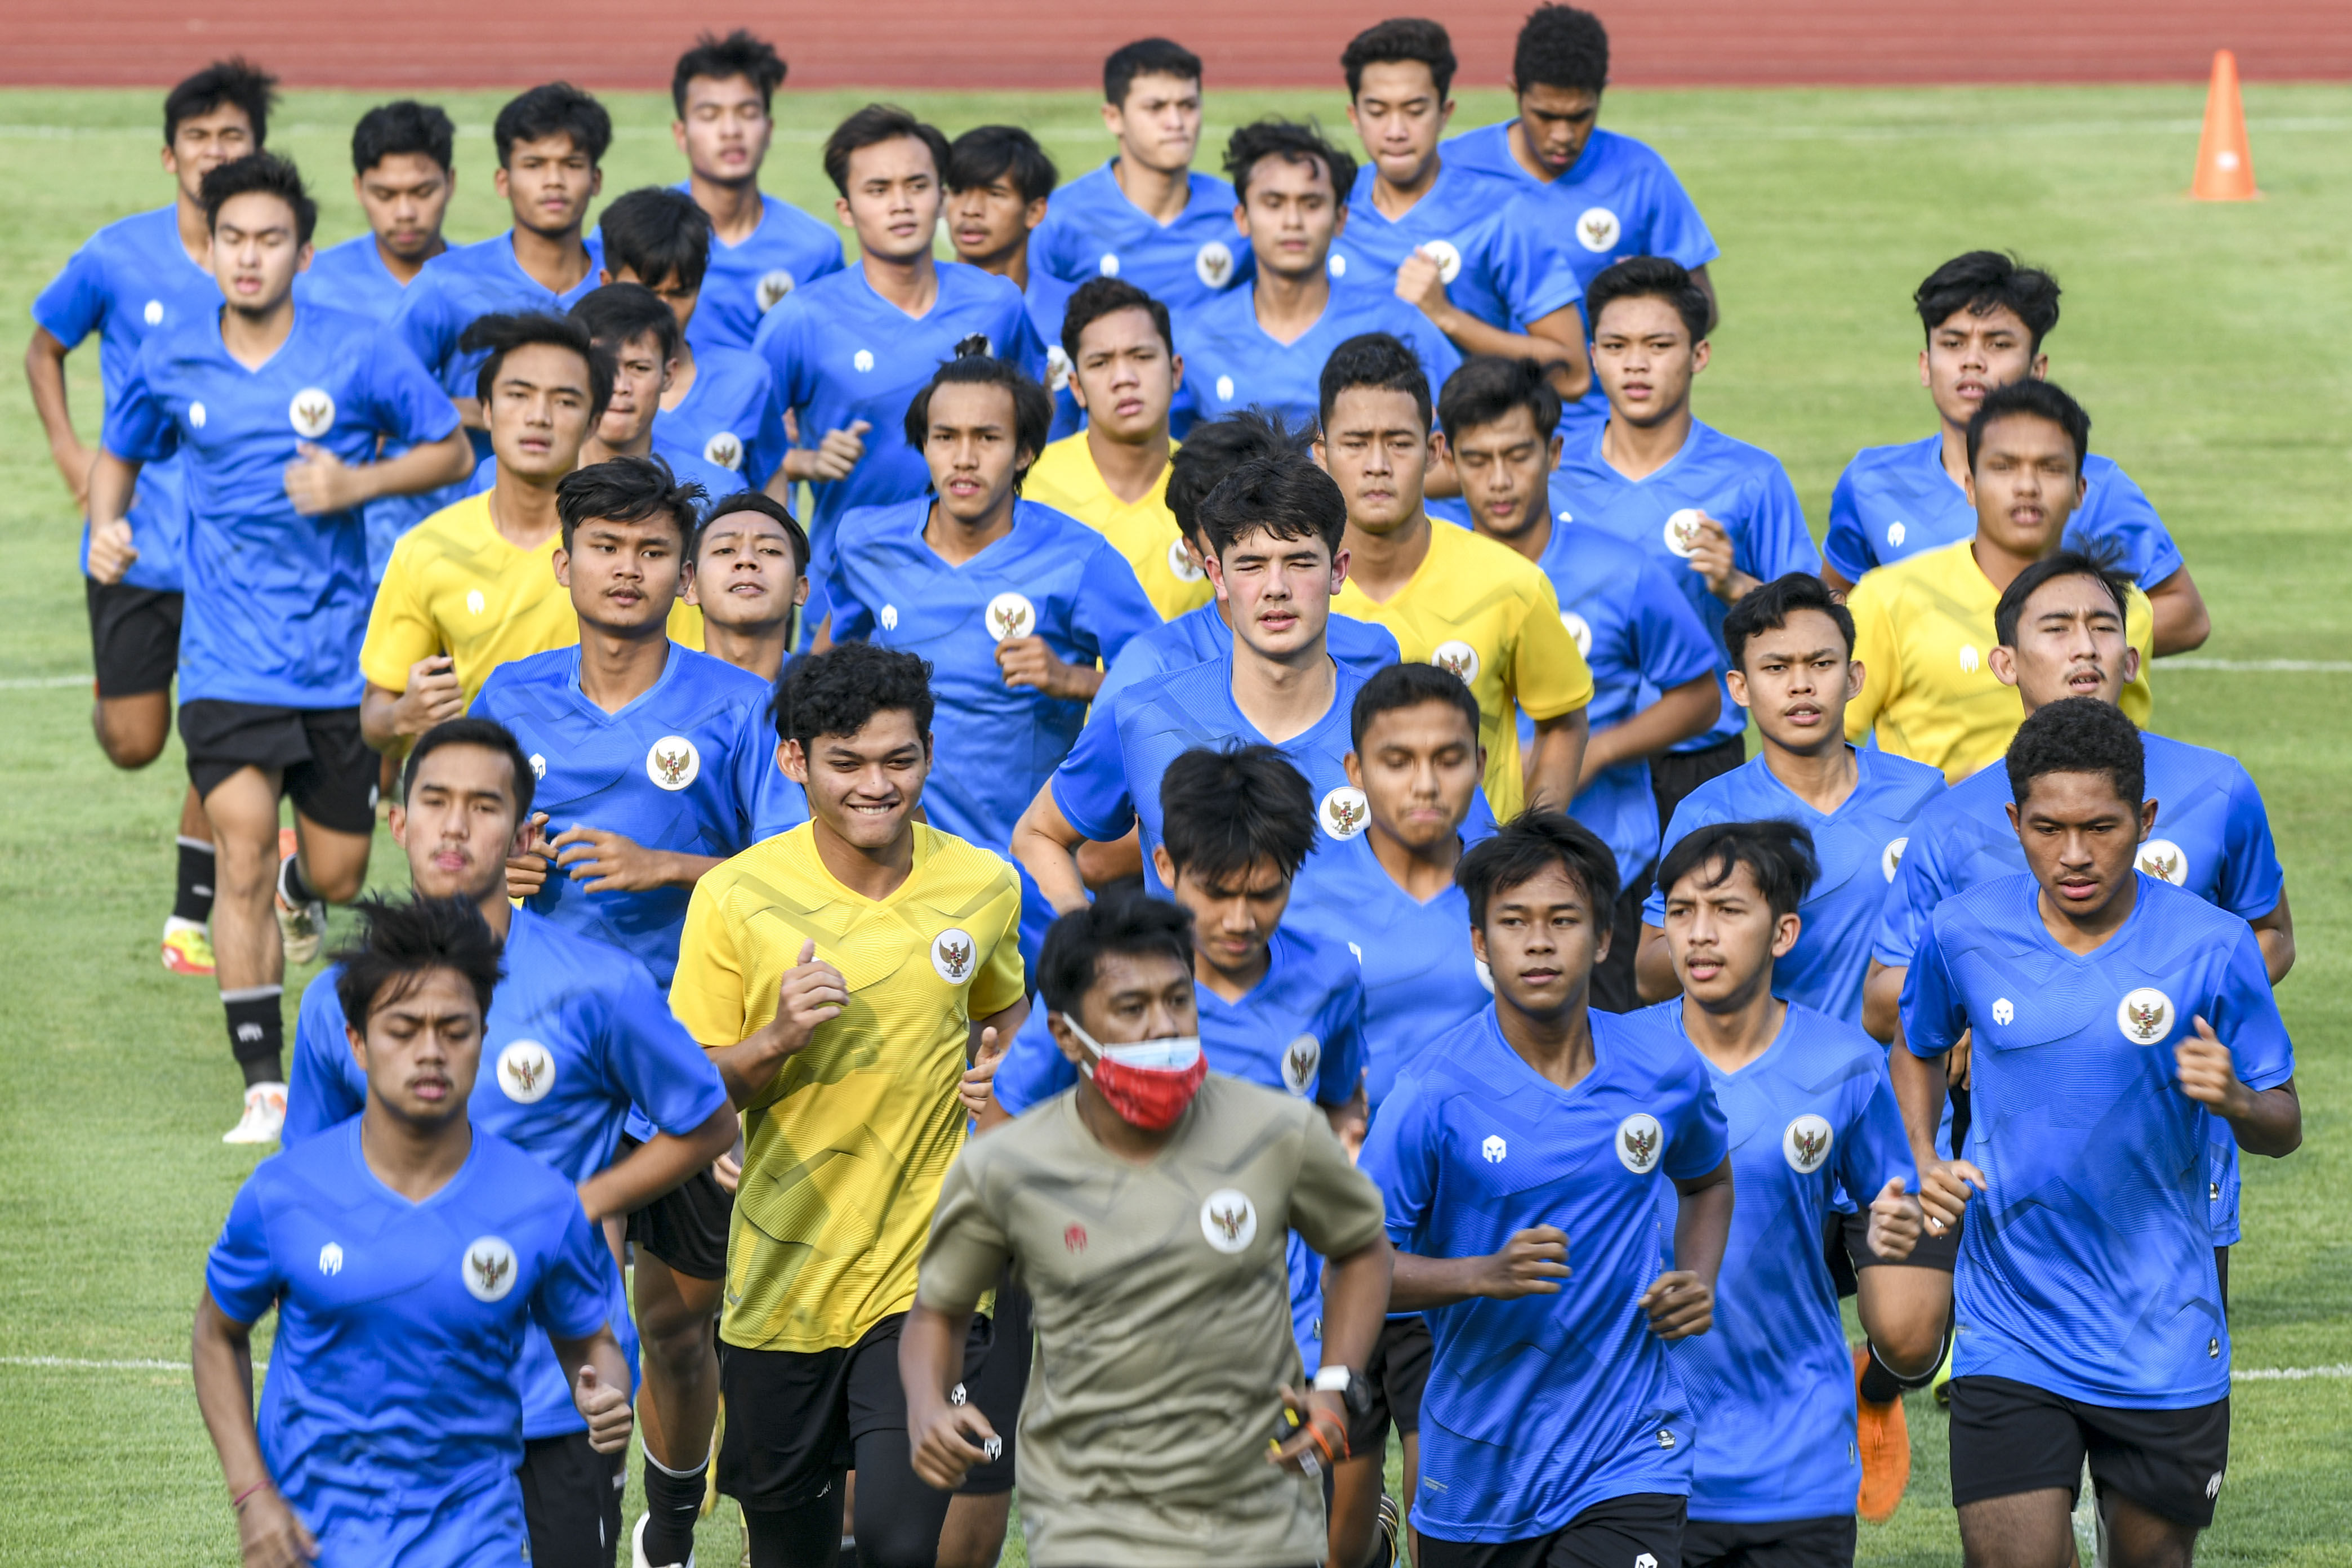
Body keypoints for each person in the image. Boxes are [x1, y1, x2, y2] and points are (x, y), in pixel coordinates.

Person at [1856, 553, 2293, 1500]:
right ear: (2004, 659)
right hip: (2015, 1197)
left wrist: (2158, 1012)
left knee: (2149, 1502)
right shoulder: (1951, 824)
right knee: (1929, 1366)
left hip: (2174, 1179)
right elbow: (1899, 999)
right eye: (2056, 627)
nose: (2087, 646)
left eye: (2104, 625)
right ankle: (1891, 1378)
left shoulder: (2216, 788)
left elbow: (2264, 939)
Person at [280, 718, 735, 1568]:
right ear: (398, 821)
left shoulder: (598, 986)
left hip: (556, 1399)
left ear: (526, 835)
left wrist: (585, 1202)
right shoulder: (335, 1001)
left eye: (484, 807)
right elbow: (304, 1192)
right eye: (434, 802)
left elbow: (706, 1122)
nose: (455, 827)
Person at [89, 152, 473, 1143]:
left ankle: (311, 896)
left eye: (269, 240)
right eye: (231, 240)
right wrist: (107, 525)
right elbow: (119, 450)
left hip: (337, 663)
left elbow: (449, 448)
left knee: (339, 872)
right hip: (223, 662)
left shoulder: (357, 349)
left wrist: (355, 487)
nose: (249, 257)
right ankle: (263, 1082)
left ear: (303, 252)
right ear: (208, 252)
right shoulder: (172, 354)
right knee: (245, 849)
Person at [667, 642, 1030, 1568]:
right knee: (789, 1550)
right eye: (847, 761)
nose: (877, 784)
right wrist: (775, 1037)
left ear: (930, 753)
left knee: (902, 1544)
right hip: (780, 1286)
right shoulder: (734, 897)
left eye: (899, 759)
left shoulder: (983, 885)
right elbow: (689, 1097)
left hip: (927, 1277)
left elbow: (1003, 1010)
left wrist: (1003, 1080)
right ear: (795, 760)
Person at [903, 894, 1393, 1567]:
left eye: (1178, 1001)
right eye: (1132, 1009)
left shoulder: (1277, 1132)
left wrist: (1336, 1382)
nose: (1164, 1027)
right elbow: (939, 1310)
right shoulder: (1007, 1166)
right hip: (1089, 1521)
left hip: (1259, 1517)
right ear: (1067, 1036)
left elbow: (1364, 1246)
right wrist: (929, 1402)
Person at [192, 893, 635, 1568]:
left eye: (454, 1030)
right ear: (357, 1044)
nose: (430, 1052)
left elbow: (591, 1342)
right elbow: (216, 1332)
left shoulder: (541, 1205)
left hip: (475, 1547)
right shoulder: (285, 1196)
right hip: (317, 1547)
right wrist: (253, 1496)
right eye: (403, 1030)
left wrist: (603, 1390)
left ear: (484, 1038)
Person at [1361, 812, 1732, 1568]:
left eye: (1563, 920)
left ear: (1602, 939)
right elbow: (1357, 1267)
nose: (1538, 942)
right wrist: (1480, 1276)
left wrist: (1695, 1275)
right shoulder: (1431, 1093)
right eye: (1513, 922)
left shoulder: (1662, 1070)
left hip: (1629, 1454)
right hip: (1476, 1475)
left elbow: (1709, 1180)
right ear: (1478, 944)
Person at [26, 57, 267, 979]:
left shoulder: (281, 260)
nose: (215, 153)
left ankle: (191, 915)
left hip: (239, 551)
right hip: (130, 538)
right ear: (171, 156)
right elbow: (44, 345)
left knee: (222, 728)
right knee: (134, 741)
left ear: (257, 149)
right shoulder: (118, 255)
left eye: (232, 137)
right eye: (199, 139)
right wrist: (65, 451)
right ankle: (115, 692)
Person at [1649, 819, 1923, 1568]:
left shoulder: (1846, 1067)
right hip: (1641, 1461)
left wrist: (1899, 1239)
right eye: (1681, 912)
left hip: (1797, 1461)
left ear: (1783, 932)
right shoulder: (1616, 1062)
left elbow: (1899, 1220)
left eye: (1728, 910)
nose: (1701, 934)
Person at [1278, 663, 1495, 1568]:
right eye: (1397, 759)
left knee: (1453, 1504)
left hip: (1469, 1243)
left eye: (1448, 759)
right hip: (1332, 1247)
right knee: (1333, 1514)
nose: (1425, 782)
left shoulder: (1513, 894)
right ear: (1354, 770)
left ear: (1481, 764)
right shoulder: (1302, 900)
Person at [1016, 452, 1414, 918]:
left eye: (1300, 562)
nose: (1276, 587)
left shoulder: (1402, 726)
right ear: (1217, 576)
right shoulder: (1146, 715)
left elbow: (1469, 874)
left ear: (1338, 571)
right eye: (1251, 565)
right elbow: (1039, 834)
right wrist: (1094, 946)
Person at [1443, 355, 1720, 1009]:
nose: (1500, 481)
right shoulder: (1434, 571)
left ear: (1556, 452)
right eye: (1477, 460)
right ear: (1448, 461)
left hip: (1603, 873)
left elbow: (1703, 696)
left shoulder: (1621, 570)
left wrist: (1600, 749)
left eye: (1519, 455)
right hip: (1457, 871)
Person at [473, 455, 800, 985]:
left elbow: (799, 876)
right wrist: (493, 864)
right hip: (546, 1006)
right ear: (564, 565)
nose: (628, 568)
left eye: (652, 551)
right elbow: (446, 843)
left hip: (694, 1011)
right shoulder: (510, 695)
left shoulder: (745, 705)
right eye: (605, 547)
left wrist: (666, 867)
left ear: (684, 577)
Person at [1824, 252, 2210, 655]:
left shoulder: (2099, 486)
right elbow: (1832, 606)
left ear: (2037, 368)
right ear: (1926, 365)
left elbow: (2187, 616)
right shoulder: (1870, 481)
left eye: (1998, 344)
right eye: (1953, 343)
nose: (1973, 361)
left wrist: (2057, 648)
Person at [1551, 256, 1819, 827]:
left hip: (1700, 764)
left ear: (1699, 355)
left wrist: (1737, 587)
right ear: (1593, 356)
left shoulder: (1752, 479)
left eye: (1659, 345)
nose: (1636, 364)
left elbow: (1818, 631)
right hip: (1569, 756)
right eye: (1617, 346)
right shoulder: (1549, 471)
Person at [754, 104, 1045, 603]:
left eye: (916, 185)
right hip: (848, 596)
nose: (901, 204)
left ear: (941, 198)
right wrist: (805, 461)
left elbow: (1042, 423)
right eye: (878, 189)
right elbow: (744, 450)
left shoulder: (998, 304)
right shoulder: (801, 319)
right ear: (846, 210)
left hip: (987, 588)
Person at [1636, 574, 1946, 1025]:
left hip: (1904, 1084)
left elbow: (1972, 935)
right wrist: (1736, 926)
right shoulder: (1709, 814)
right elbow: (1649, 976)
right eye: (1776, 668)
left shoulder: (1923, 794)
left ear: (1854, 677)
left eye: (1821, 664)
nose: (1801, 685)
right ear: (1739, 688)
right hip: (1775, 1089)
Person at [1322, 333, 1593, 821]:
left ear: (1434, 451)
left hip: (1475, 880)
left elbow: (1564, 723)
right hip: (1335, 885)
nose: (1378, 466)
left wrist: (1528, 844)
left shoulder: (1511, 583)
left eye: (1399, 443)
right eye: (1356, 443)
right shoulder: (1293, 591)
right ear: (1322, 454)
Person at [1844, 378, 2155, 784]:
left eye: (2050, 467)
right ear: (1970, 487)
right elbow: (1830, 752)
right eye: (2004, 467)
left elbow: (2126, 757)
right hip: (1933, 845)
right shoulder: (1887, 599)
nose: (2027, 486)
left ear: (2081, 490)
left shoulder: (2123, 610)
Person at [359, 311, 613, 755]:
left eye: (565, 401)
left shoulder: (631, 548)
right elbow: (374, 718)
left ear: (593, 423)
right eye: (519, 395)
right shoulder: (426, 549)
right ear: (488, 411)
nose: (539, 417)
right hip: (482, 799)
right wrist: (404, 715)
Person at [1335, 19, 1592, 394]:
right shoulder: (1324, 206)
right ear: (1354, 117)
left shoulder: (1500, 214)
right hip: (1344, 447)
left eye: (1414, 110)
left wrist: (1448, 317)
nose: (1396, 131)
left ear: (1445, 112)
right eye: (1377, 111)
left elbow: (1573, 374)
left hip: (1460, 447)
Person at [1093, 409, 1400, 715]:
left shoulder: (1371, 653)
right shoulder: (1150, 670)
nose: (1274, 583)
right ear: (1196, 552)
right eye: (1229, 531)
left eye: (1281, 521)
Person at [1175, 119, 1462, 431]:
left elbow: (1467, 446)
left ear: (1340, 219)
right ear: (1242, 218)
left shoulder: (1400, 327)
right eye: (1274, 204)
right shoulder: (1195, 336)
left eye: (1311, 204)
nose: (1293, 221)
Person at [1443, 7, 1718, 319]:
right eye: (1545, 116)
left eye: (1580, 116)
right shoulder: (1452, 168)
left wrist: (1651, 295)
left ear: (1603, 90)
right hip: (1480, 370)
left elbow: (1705, 309)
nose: (1562, 136)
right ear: (1515, 90)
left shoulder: (1641, 173)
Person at [393, 82, 608, 431]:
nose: (553, 181)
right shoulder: (446, 283)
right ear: (503, 181)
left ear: (595, 179)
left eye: (571, 164)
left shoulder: (626, 275)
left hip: (603, 486)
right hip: (479, 485)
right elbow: (379, 393)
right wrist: (453, 410)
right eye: (534, 164)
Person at [1021, 278, 1208, 620]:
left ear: (1176, 371)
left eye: (1141, 356)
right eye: (1101, 363)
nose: (1124, 377)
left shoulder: (1216, 489)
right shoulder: (1027, 489)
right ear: (1076, 388)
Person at [1030, 38, 1253, 324]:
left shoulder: (1239, 215)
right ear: (1113, 118)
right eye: (1155, 107)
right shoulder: (1060, 219)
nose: (1176, 122)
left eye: (1188, 105)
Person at [597, 184, 790, 489]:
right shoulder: (579, 381)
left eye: (679, 293)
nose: (663, 308)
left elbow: (770, 478)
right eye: (647, 291)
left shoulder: (748, 380)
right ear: (607, 284)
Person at [667, 29, 845, 357]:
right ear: (681, 134)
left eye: (748, 113)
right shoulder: (638, 235)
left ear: (769, 130)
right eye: (710, 115)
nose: (731, 131)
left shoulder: (815, 248)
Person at [945, 125, 1082, 439]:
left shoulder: (1079, 312)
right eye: (958, 191)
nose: (970, 210)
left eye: (994, 194)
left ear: (1035, 211)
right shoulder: (918, 309)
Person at [566, 282, 742, 503]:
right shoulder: (533, 481)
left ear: (668, 375)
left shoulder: (716, 495)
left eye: (639, 368)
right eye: (604, 367)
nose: (621, 387)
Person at [298, 100, 456, 317]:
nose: (405, 213)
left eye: (423, 193)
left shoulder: (487, 282)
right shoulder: (312, 286)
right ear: (358, 189)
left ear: (451, 183)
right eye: (385, 195)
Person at [684, 491, 809, 683]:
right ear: (691, 586)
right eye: (725, 550)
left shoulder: (834, 704)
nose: (746, 559)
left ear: (799, 589)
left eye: (770, 550)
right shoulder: (653, 702)